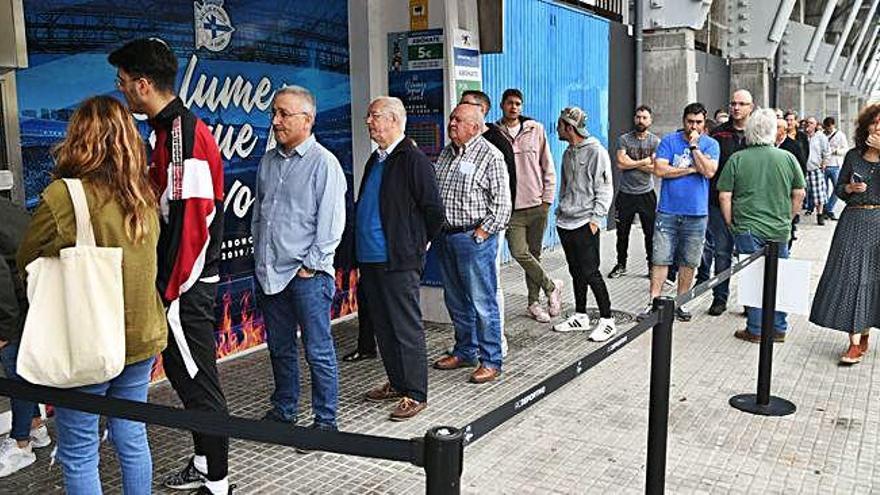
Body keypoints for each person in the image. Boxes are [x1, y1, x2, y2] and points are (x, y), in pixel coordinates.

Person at [17, 96, 167, 495]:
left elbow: (27, 257)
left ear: (79, 138)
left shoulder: (65, 195)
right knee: (132, 437)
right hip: (141, 337)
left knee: (80, 451)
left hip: (87, 341)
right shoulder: (143, 194)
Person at [108, 38, 230, 494]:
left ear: (142, 85)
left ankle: (218, 484)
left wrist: (169, 291)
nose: (120, 90)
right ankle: (204, 464)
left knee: (199, 382)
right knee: (184, 376)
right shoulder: (164, 133)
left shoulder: (184, 136)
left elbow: (194, 228)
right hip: (179, 283)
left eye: (122, 83)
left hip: (186, 286)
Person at [252, 86, 346, 431]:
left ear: (307, 119)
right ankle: (284, 410)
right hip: (270, 273)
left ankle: (325, 421)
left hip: (306, 277)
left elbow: (331, 224)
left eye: (283, 114)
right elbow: (260, 214)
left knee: (317, 350)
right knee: (279, 347)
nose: (275, 121)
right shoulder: (268, 160)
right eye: (274, 113)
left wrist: (310, 266)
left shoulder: (324, 164)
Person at [357, 97, 444, 420]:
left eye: (374, 116)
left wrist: (417, 243)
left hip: (398, 259)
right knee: (383, 326)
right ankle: (396, 382)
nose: (368, 121)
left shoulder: (412, 159)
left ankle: (416, 392)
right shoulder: (376, 159)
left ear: (394, 120)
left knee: (405, 326)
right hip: (371, 259)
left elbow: (434, 210)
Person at [432, 103, 511, 384]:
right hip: (446, 236)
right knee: (455, 300)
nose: (451, 123)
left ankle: (491, 360)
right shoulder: (446, 152)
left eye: (458, 120)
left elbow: (502, 206)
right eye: (451, 117)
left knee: (482, 302)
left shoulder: (491, 156)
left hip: (474, 239)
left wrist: (481, 234)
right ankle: (465, 350)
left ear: (475, 127)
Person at [715, 108, 805, 344]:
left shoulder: (738, 158)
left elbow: (725, 195)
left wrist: (730, 222)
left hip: (747, 226)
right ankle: (778, 327)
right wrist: (789, 217)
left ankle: (755, 328)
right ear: (774, 132)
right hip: (779, 228)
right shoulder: (787, 158)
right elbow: (799, 193)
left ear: (749, 131)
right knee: (780, 276)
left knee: (754, 277)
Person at [810, 104, 880, 364]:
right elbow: (838, 189)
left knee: (872, 278)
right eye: (874, 122)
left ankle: (865, 333)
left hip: (878, 222)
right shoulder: (852, 155)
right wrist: (850, 188)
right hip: (852, 220)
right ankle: (852, 341)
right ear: (866, 126)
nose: (878, 127)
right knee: (850, 276)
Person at [639, 102, 719, 322]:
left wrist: (694, 148)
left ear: (704, 123)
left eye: (698, 122)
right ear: (683, 120)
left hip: (696, 214)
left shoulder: (710, 145)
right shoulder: (668, 141)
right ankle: (654, 301)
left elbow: (709, 171)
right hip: (668, 211)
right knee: (660, 258)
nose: (694, 126)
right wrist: (691, 169)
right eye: (690, 121)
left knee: (689, 261)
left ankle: (681, 303)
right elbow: (660, 170)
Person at [0, 172, 52, 478]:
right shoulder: (10, 208)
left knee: (16, 373)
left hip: (15, 308)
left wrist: (4, 332)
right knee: (23, 371)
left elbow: (1, 283)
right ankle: (35, 427)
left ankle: (21, 445)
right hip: (35, 297)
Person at [497, 88, 562, 323]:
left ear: (521, 107)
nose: (514, 107)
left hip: (537, 205)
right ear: (502, 105)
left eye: (517, 103)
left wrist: (547, 199)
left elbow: (548, 164)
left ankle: (533, 303)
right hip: (512, 209)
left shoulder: (536, 129)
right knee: (519, 252)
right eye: (509, 103)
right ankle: (551, 286)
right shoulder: (495, 133)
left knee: (534, 254)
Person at [551, 107, 616, 341]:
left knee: (591, 272)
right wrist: (560, 210)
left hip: (585, 222)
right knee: (575, 271)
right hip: (566, 221)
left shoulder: (596, 152)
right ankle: (581, 315)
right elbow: (566, 186)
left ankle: (607, 320)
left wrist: (596, 220)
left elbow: (605, 188)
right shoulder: (568, 152)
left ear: (569, 127)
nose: (557, 129)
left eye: (560, 125)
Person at [460, 90, 515, 357]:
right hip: (456, 235)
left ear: (481, 112)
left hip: (484, 231)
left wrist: (486, 230)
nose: (459, 111)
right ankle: (467, 348)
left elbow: (506, 193)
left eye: (467, 106)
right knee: (461, 296)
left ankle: (494, 348)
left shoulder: (495, 144)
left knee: (487, 291)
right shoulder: (453, 150)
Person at [698, 90, 753, 316]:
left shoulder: (756, 135)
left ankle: (752, 303)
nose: (736, 107)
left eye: (742, 104)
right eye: (733, 103)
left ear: (751, 107)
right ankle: (719, 298)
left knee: (749, 254)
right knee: (722, 252)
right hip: (718, 203)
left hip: (749, 204)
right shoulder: (718, 135)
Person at [607, 105, 660, 279]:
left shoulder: (655, 142)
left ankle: (652, 267)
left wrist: (632, 162)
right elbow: (621, 164)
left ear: (650, 120)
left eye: (644, 117)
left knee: (650, 233)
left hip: (646, 194)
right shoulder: (624, 139)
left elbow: (656, 169)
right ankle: (621, 264)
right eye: (638, 117)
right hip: (626, 193)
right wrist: (645, 161)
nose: (641, 120)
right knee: (622, 233)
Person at [776, 117, 808, 248]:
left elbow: (801, 168)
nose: (774, 130)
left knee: (788, 221)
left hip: (788, 189)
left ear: (784, 130)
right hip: (774, 189)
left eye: (778, 127)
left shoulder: (794, 146)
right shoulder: (769, 144)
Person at [804, 116, 831, 225]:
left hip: (815, 168)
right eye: (807, 123)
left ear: (815, 125)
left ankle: (820, 215)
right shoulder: (802, 136)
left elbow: (827, 151)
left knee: (819, 193)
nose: (808, 125)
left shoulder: (821, 137)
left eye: (811, 123)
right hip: (802, 168)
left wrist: (824, 163)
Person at [823, 116, 848, 221]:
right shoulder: (822, 135)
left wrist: (836, 151)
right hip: (823, 165)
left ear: (833, 125)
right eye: (826, 127)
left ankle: (829, 208)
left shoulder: (840, 135)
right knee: (823, 190)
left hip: (835, 165)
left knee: (838, 189)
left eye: (829, 127)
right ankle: (825, 210)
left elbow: (845, 148)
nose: (828, 129)